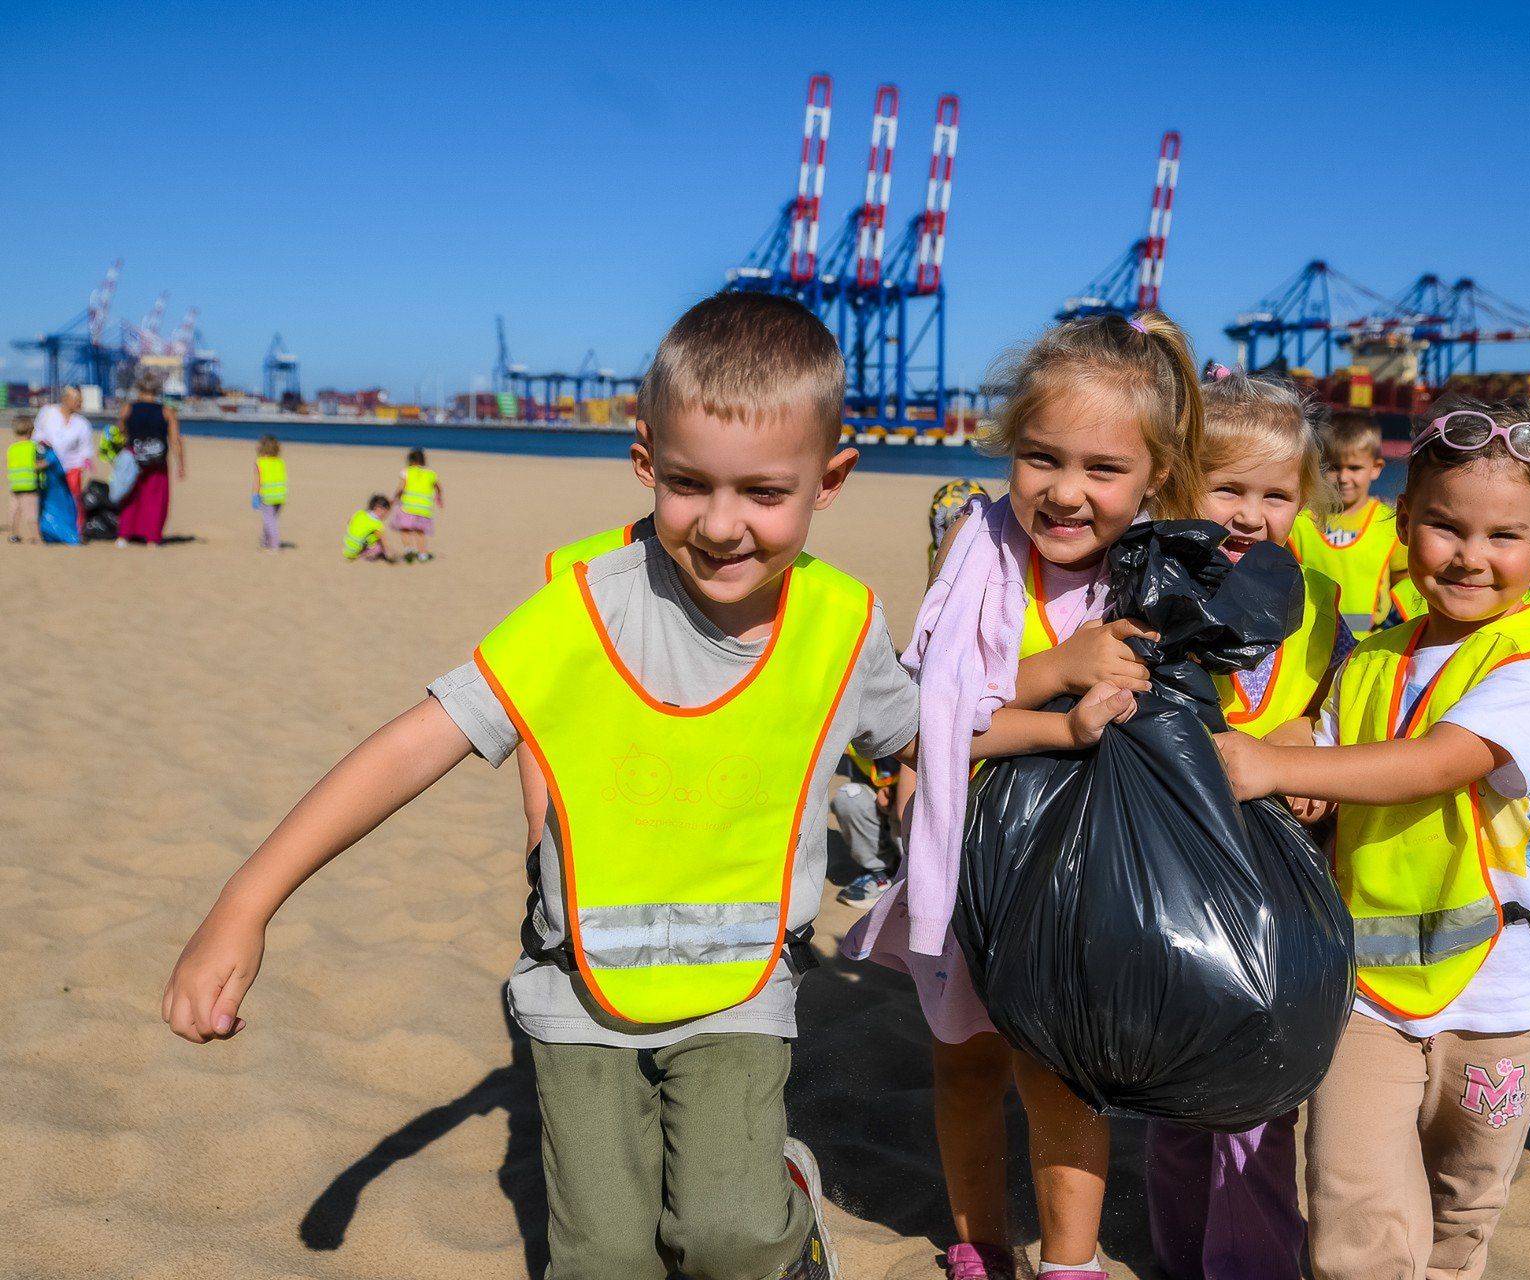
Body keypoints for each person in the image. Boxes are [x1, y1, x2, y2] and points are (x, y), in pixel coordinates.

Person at [163, 292, 947, 1280]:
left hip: (740, 987)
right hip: (579, 990)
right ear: (643, 459)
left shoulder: (840, 625)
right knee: (609, 1257)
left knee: (728, 1235)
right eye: (687, 482)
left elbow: (930, 728)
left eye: (761, 491)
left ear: (830, 479)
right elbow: (414, 744)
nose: (719, 523)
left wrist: (1054, 700)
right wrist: (246, 902)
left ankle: (783, 1200)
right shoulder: (580, 607)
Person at [844, 310, 1204, 1280]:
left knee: (1059, 1077)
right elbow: (927, 717)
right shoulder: (980, 550)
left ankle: (1073, 1260)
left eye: (1102, 468)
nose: (1066, 491)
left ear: (1155, 476)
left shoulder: (1160, 577)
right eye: (1041, 457)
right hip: (971, 867)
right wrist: (1056, 672)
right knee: (962, 1062)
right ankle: (979, 1240)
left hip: (1085, 889)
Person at [1214, 399, 1530, 1280]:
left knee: (1464, 1197)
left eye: (1504, 535)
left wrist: (1276, 769)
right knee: (1354, 1207)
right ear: (1404, 522)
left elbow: (1437, 761)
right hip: (1367, 991)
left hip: (1500, 997)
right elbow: (1329, 746)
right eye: (1446, 527)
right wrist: (1286, 766)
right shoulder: (1371, 652)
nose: (1469, 555)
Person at [1144, 364, 1349, 1280]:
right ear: (1179, 483)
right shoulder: (1150, 590)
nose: (1249, 514)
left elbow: (1346, 706)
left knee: (1256, 1105)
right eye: (1226, 487)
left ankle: (1248, 1263)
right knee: (1182, 1100)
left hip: (1278, 892)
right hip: (1178, 885)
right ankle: (1186, 1255)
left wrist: (1311, 742)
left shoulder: (1321, 609)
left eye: (1275, 494)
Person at [1290, 410, 1405, 637]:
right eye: (1333, 467)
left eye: (1354, 468)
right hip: (1309, 642)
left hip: (1367, 646)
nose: (1343, 478)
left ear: (1376, 468)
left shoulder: (1390, 524)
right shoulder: (1298, 523)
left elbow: (1405, 586)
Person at [116, 367, 185, 546]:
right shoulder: (167, 411)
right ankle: (152, 538)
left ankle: (124, 535)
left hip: (133, 456)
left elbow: (120, 432)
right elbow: (175, 440)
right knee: (155, 499)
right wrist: (181, 465)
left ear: (139, 389)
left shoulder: (127, 408)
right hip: (157, 460)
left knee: (130, 496)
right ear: (157, 391)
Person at [830, 749, 902, 905]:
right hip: (884, 813)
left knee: (908, 806)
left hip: (914, 816)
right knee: (850, 796)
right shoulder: (858, 742)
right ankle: (879, 872)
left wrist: (899, 791)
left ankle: (913, 879)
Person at [32, 386, 92, 536]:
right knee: (48, 499)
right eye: (77, 400)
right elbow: (37, 436)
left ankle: (75, 531)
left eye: (81, 400)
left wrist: (85, 469)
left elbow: (86, 451)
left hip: (72, 467)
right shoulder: (48, 412)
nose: (80, 403)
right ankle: (49, 530)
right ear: (65, 399)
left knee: (73, 499)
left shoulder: (83, 423)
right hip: (48, 466)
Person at [392, 447, 442, 561]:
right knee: (420, 532)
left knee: (405, 529)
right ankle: (423, 554)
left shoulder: (407, 471)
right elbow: (438, 487)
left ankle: (408, 550)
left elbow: (401, 487)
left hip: (408, 507)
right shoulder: (431, 473)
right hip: (424, 508)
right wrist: (439, 496)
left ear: (410, 460)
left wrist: (395, 497)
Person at [8, 416, 48, 543]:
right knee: (31, 514)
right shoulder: (34, 446)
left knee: (15, 512)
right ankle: (37, 537)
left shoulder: (12, 448)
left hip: (15, 485)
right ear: (31, 431)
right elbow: (39, 463)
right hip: (30, 486)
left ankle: (12, 535)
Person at [254, 435, 288, 552]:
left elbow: (258, 481)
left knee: (270, 521)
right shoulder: (280, 462)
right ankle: (265, 542)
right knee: (270, 520)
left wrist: (255, 495)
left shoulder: (260, 463)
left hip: (267, 497)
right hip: (280, 496)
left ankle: (274, 545)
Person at [342, 495, 391, 561]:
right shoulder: (378, 524)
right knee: (378, 543)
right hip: (356, 550)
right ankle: (365, 553)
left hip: (347, 546)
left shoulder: (360, 513)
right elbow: (383, 541)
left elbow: (349, 522)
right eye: (386, 512)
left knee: (365, 531)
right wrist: (389, 552)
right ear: (379, 509)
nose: (386, 515)